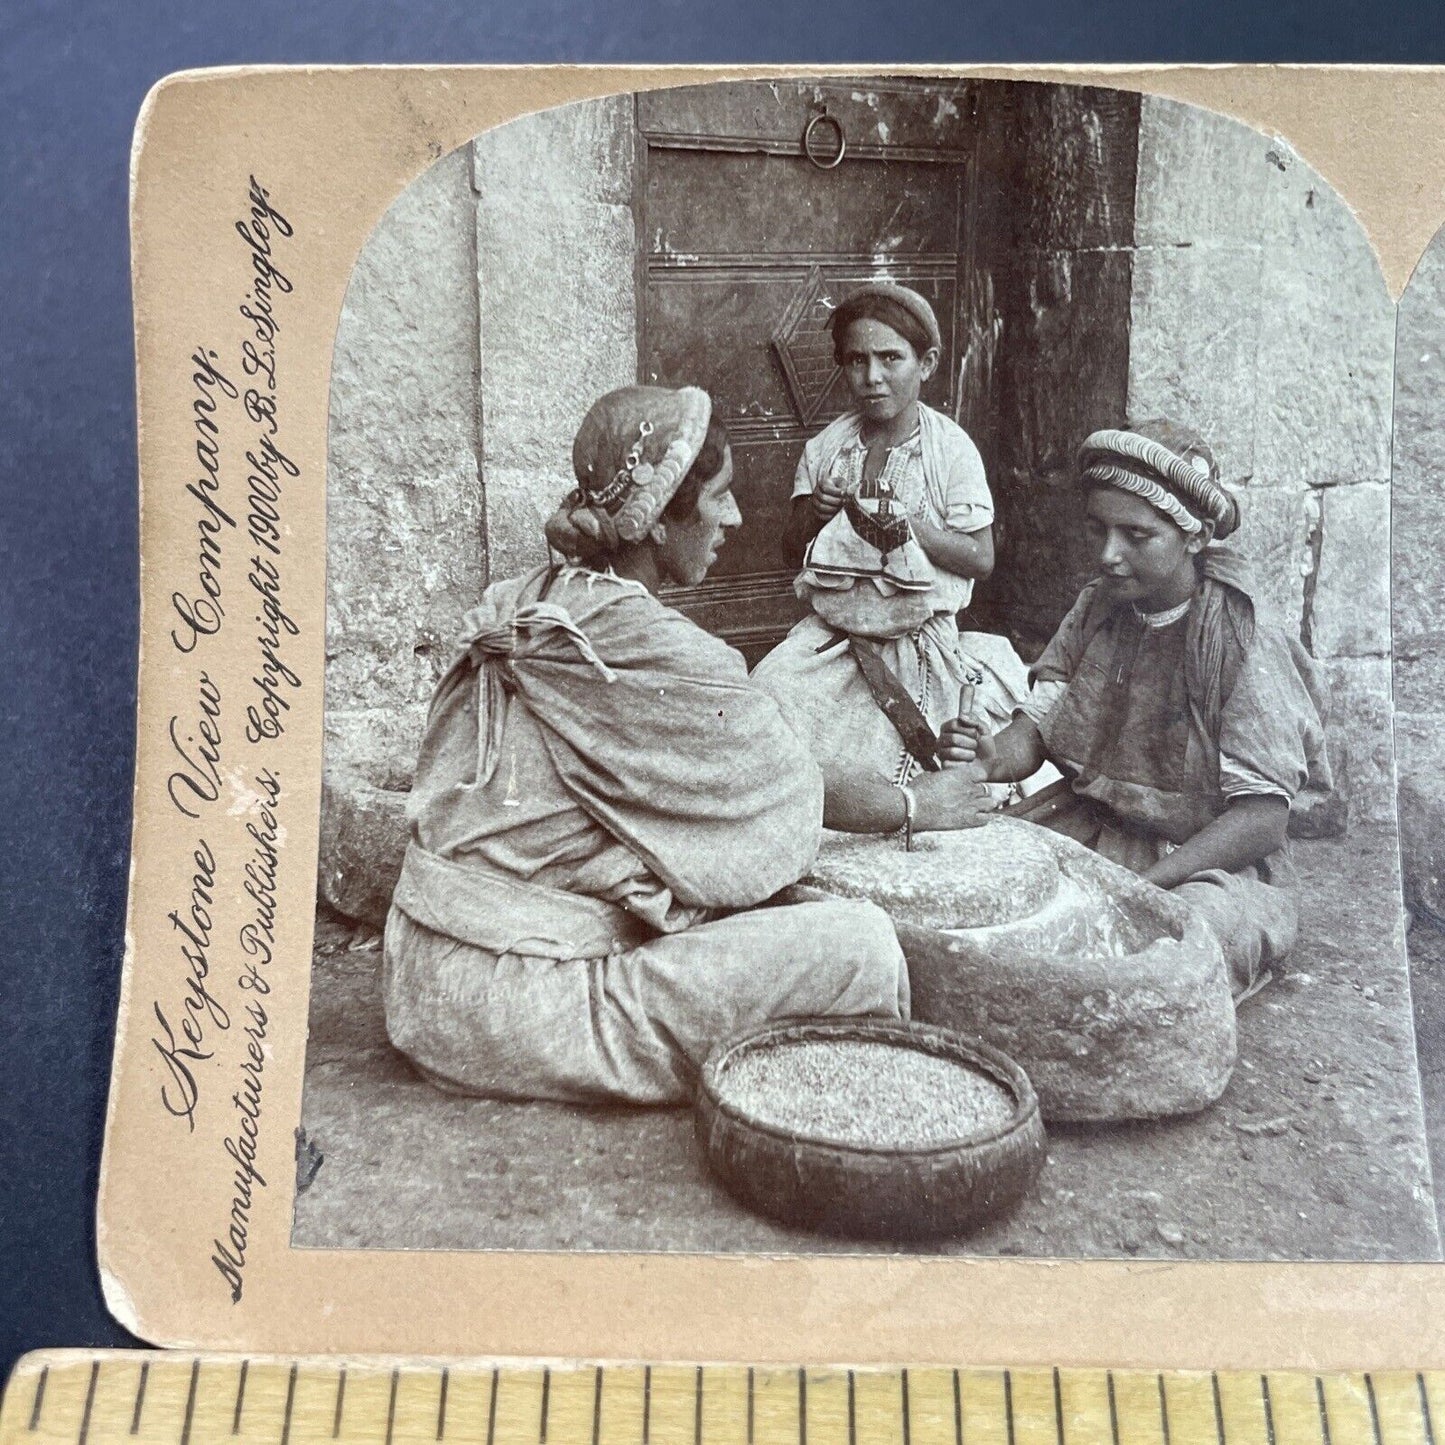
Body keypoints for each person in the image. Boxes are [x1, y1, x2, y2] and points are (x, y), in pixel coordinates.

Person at [382, 385, 992, 1106]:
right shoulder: (661, 650)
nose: (733, 517)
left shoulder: (521, 598)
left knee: (733, 895)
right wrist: (918, 802)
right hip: (521, 1008)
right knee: (859, 943)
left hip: (422, 979)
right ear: (661, 524)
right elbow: (791, 787)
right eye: (719, 497)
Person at [939, 420, 1332, 999]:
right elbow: (1040, 728)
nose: (1108, 554)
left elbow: (1262, 818)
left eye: (1135, 535)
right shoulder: (1099, 606)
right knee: (968, 887)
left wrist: (1143, 889)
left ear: (1193, 538)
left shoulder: (1242, 636)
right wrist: (993, 756)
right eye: (1098, 530)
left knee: (1175, 951)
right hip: (1091, 827)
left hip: (1202, 862)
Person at [752, 281, 1038, 796]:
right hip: (831, 639)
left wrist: (909, 524)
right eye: (857, 361)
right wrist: (817, 511)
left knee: (913, 755)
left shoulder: (950, 450)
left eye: (891, 358)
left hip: (922, 641)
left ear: (925, 364)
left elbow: (980, 557)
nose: (873, 377)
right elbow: (792, 547)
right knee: (768, 702)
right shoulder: (827, 448)